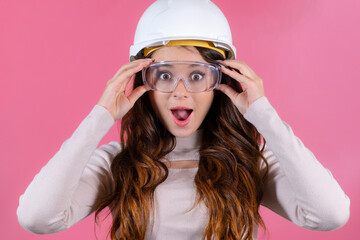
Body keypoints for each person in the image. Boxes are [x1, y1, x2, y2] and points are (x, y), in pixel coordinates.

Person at [17, 0, 350, 239]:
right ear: (143, 82)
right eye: (163, 76)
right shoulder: (118, 163)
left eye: (196, 75)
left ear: (222, 82)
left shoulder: (251, 163)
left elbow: (330, 214)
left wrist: (262, 113)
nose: (180, 93)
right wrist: (102, 115)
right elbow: (38, 218)